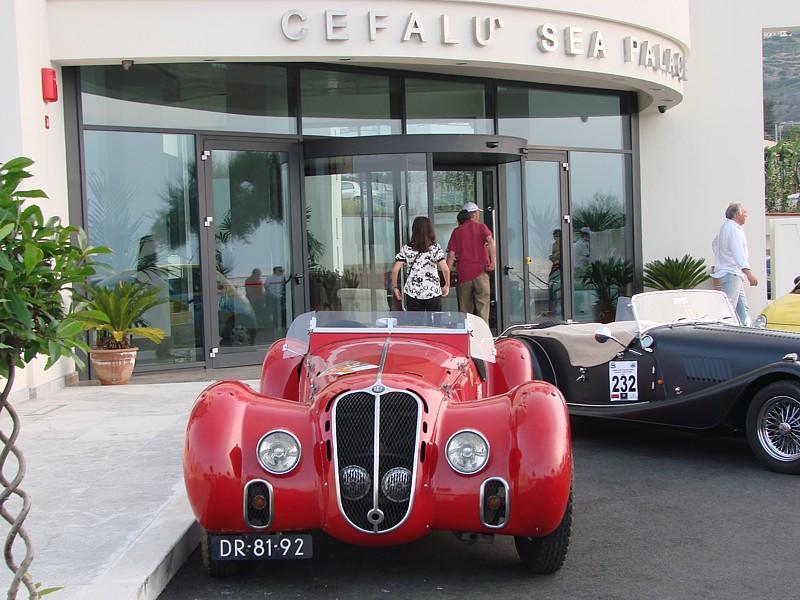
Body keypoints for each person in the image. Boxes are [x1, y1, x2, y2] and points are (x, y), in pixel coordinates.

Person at [446, 201, 496, 323]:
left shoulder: (457, 231)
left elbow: (451, 256)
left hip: (464, 276)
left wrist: (446, 279)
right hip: (481, 272)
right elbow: (491, 241)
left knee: (465, 312)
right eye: (477, 213)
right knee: (483, 308)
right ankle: (483, 337)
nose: (478, 215)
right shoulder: (481, 227)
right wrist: (493, 261)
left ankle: (468, 337)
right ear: (473, 214)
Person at [711, 202, 758, 325]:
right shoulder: (733, 229)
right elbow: (738, 253)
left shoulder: (726, 227)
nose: (746, 216)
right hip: (731, 273)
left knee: (742, 307)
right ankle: (723, 332)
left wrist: (722, 259)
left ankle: (746, 331)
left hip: (731, 272)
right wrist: (749, 274)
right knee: (729, 308)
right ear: (738, 214)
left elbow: (715, 244)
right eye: (745, 213)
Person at [391, 216, 450, 312]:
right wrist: (447, 285)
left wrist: (395, 288)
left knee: (416, 324)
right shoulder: (435, 248)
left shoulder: (407, 248)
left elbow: (395, 270)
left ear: (414, 230)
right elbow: (445, 269)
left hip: (413, 292)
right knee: (434, 325)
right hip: (432, 291)